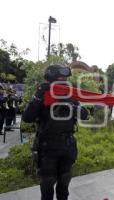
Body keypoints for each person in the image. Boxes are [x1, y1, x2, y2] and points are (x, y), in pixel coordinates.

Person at [22, 64, 88, 200]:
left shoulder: (69, 94)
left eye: (65, 78)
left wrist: (72, 105)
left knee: (64, 184)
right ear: (51, 78)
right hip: (47, 147)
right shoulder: (43, 94)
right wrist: (38, 95)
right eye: (61, 78)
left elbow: (84, 115)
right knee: (47, 185)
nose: (64, 80)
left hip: (67, 145)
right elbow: (27, 118)